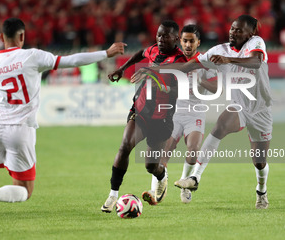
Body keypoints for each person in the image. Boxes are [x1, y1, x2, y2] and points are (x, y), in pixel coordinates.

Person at [0, 17, 126, 234]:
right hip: (21, 130)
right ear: (22, 36)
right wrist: (106, 53)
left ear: (2, 38)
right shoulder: (33, 56)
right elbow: (72, 60)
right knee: (25, 190)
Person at [132, 15, 272, 209]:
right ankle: (193, 178)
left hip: (261, 109)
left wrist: (227, 60)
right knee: (219, 128)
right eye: (232, 28)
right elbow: (187, 66)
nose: (233, 32)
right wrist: (156, 70)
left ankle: (261, 191)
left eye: (239, 30)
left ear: (251, 33)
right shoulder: (218, 51)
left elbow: (256, 62)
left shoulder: (256, 43)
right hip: (239, 105)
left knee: (259, 161)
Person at [101, 20, 187, 213]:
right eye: (158, 35)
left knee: (151, 166)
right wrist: (123, 68)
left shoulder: (181, 61)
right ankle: (113, 195)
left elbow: (183, 89)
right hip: (140, 110)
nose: (161, 39)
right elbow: (141, 53)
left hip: (163, 117)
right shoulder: (154, 50)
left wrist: (163, 84)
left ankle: (161, 176)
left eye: (165, 36)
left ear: (176, 38)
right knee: (125, 145)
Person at [141, 25, 218, 205]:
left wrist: (202, 81)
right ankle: (156, 189)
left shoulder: (205, 62)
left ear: (198, 42)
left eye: (192, 41)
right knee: (163, 152)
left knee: (193, 147)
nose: (188, 44)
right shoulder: (174, 59)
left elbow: (217, 89)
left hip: (195, 111)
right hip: (174, 111)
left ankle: (185, 184)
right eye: (185, 40)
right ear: (180, 41)